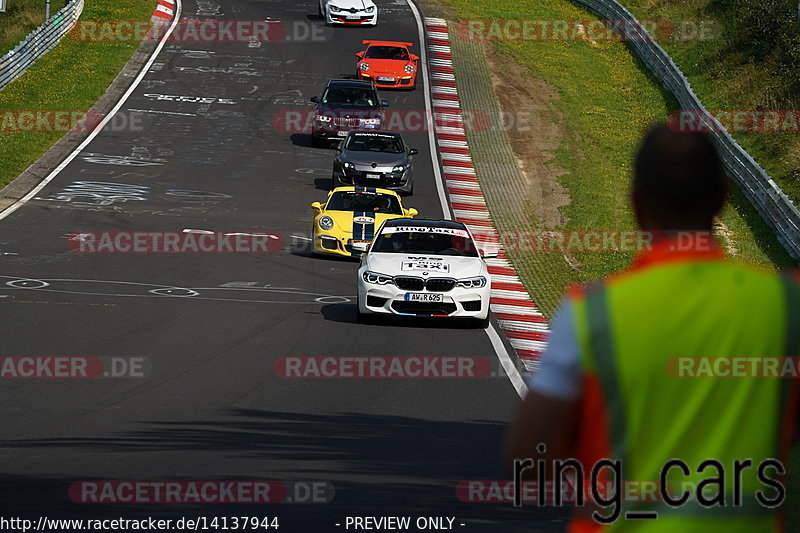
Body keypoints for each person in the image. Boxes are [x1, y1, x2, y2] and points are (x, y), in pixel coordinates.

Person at [506, 124, 799, 532]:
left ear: (636, 204)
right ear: (722, 200)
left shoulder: (591, 312)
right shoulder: (786, 305)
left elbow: (529, 459)